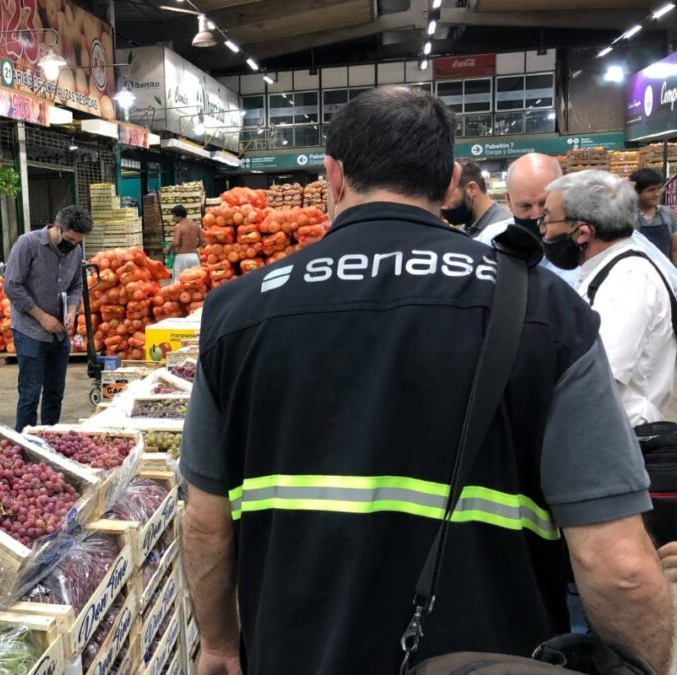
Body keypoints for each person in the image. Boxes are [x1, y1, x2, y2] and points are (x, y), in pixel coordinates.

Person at [181, 86, 671, 675]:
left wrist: (218, 644)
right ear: (450, 183)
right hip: (490, 655)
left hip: (294, 649)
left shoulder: (237, 312)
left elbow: (205, 518)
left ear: (332, 177)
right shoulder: (546, 311)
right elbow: (615, 561)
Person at [540, 170, 677, 427]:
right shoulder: (607, 268)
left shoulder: (628, 279)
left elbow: (598, 375)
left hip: (621, 435)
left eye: (547, 218)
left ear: (582, 232)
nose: (544, 230)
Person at [476, 154, 677, 292]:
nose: (537, 216)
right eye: (525, 207)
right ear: (508, 200)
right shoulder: (491, 239)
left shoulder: (612, 241)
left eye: (544, 205)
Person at [3, 206, 93, 432]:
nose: (72, 245)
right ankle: (24, 443)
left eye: (78, 242)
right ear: (57, 226)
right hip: (30, 330)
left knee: (55, 392)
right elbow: (12, 285)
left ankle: (50, 439)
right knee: (30, 392)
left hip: (59, 332)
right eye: (70, 239)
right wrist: (42, 317)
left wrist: (72, 310)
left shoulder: (75, 251)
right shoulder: (28, 244)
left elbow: (76, 285)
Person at [440, 158, 511, 237]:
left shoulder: (504, 230)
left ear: (472, 189)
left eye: (447, 195)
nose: (443, 205)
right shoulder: (465, 229)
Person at [629, 167, 677, 263]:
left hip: (664, 270)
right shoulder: (629, 215)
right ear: (636, 192)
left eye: (658, 189)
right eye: (651, 190)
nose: (657, 194)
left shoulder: (667, 213)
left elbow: (674, 250)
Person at [165, 205, 202, 282]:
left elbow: (176, 242)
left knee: (177, 282)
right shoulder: (195, 225)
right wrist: (194, 246)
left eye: (173, 216)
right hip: (194, 257)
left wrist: (168, 249)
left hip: (181, 258)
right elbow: (203, 240)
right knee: (195, 282)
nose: (173, 218)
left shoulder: (179, 226)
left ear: (179, 216)